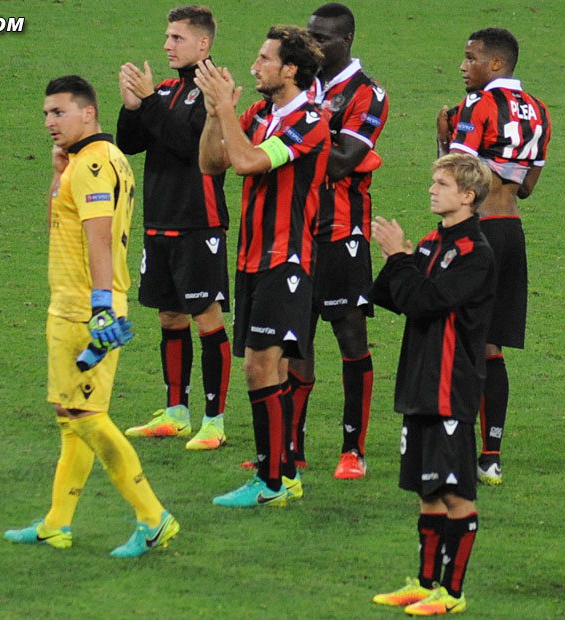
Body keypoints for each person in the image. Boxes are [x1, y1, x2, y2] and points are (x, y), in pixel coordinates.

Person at [4, 75, 179, 558]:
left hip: (87, 308)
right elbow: (58, 226)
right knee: (69, 415)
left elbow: (98, 236)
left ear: (88, 113)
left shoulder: (94, 164)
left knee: (87, 415)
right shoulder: (93, 161)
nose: (49, 123)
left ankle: (153, 517)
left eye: (59, 113)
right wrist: (57, 176)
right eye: (45, 114)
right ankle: (57, 524)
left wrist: (101, 307)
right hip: (70, 305)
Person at [196, 25, 330, 507]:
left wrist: (228, 110)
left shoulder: (310, 121)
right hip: (252, 260)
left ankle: (271, 481)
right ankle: (283, 476)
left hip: (286, 260)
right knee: (262, 368)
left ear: (289, 69)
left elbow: (250, 162)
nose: (254, 66)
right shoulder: (258, 114)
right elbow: (213, 164)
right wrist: (216, 114)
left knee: (260, 365)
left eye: (263, 58)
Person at [370, 153, 495, 615]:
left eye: (441, 184)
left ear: (467, 195)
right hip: (418, 383)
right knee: (427, 491)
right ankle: (425, 583)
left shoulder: (476, 254)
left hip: (450, 388)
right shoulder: (428, 245)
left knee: (455, 492)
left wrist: (401, 259)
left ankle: (453, 593)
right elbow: (390, 296)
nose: (431, 190)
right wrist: (398, 258)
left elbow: (425, 301)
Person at [436, 27, 552, 486]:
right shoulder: (539, 111)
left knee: (456, 339)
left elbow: (455, 181)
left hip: (475, 232)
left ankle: (451, 445)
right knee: (491, 346)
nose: (463, 67)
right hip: (512, 233)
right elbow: (527, 186)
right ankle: (491, 457)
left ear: (495, 64)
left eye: (470, 58)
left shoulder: (475, 106)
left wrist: (444, 141)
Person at [280, 2, 388, 480]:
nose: (311, 44)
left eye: (321, 38)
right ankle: (291, 449)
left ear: (346, 41)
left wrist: (299, 135)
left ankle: (353, 450)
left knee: (350, 339)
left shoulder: (368, 93)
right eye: (308, 35)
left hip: (342, 232)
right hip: (296, 232)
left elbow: (344, 160)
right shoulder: (303, 84)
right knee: (294, 344)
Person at [116, 5, 231, 451]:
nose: (167, 45)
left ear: (203, 44)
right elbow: (131, 143)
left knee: (206, 317)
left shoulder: (213, 91)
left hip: (198, 222)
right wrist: (132, 108)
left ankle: (214, 420)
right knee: (169, 314)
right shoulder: (164, 89)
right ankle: (176, 413)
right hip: (160, 220)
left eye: (177, 38)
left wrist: (148, 103)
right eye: (167, 37)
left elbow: (188, 146)